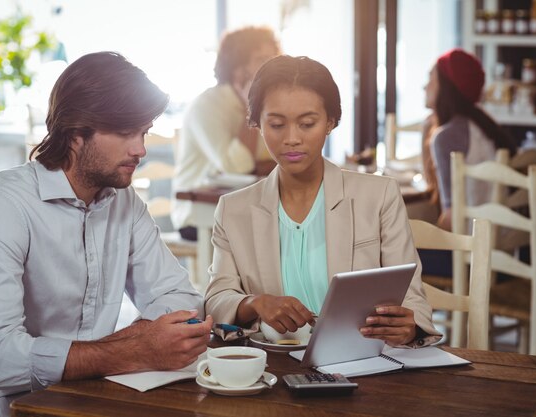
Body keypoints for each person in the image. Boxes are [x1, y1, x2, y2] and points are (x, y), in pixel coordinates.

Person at [0, 52, 212, 416]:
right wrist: (132, 349)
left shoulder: (123, 201)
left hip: (85, 391)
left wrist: (124, 347)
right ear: (75, 132)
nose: (141, 149)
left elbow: (181, 297)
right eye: (125, 132)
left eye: (143, 131)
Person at [204, 55, 442, 348]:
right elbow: (216, 299)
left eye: (307, 124)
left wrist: (409, 327)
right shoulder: (233, 210)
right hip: (272, 368)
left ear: (330, 122)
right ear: (258, 124)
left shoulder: (379, 196)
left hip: (362, 363)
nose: (292, 139)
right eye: (277, 124)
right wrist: (255, 303)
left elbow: (412, 299)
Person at [171, 26, 280, 241]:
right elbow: (238, 168)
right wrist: (252, 108)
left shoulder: (271, 104)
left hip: (245, 206)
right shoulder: (208, 105)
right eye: (261, 59)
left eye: (273, 57)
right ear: (237, 68)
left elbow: (273, 159)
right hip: (199, 214)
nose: (272, 65)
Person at [423, 48, 517, 232]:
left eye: (431, 78)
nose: (425, 86)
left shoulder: (446, 137)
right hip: (500, 237)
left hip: (470, 245)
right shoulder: (484, 125)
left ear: (446, 86)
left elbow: (451, 218)